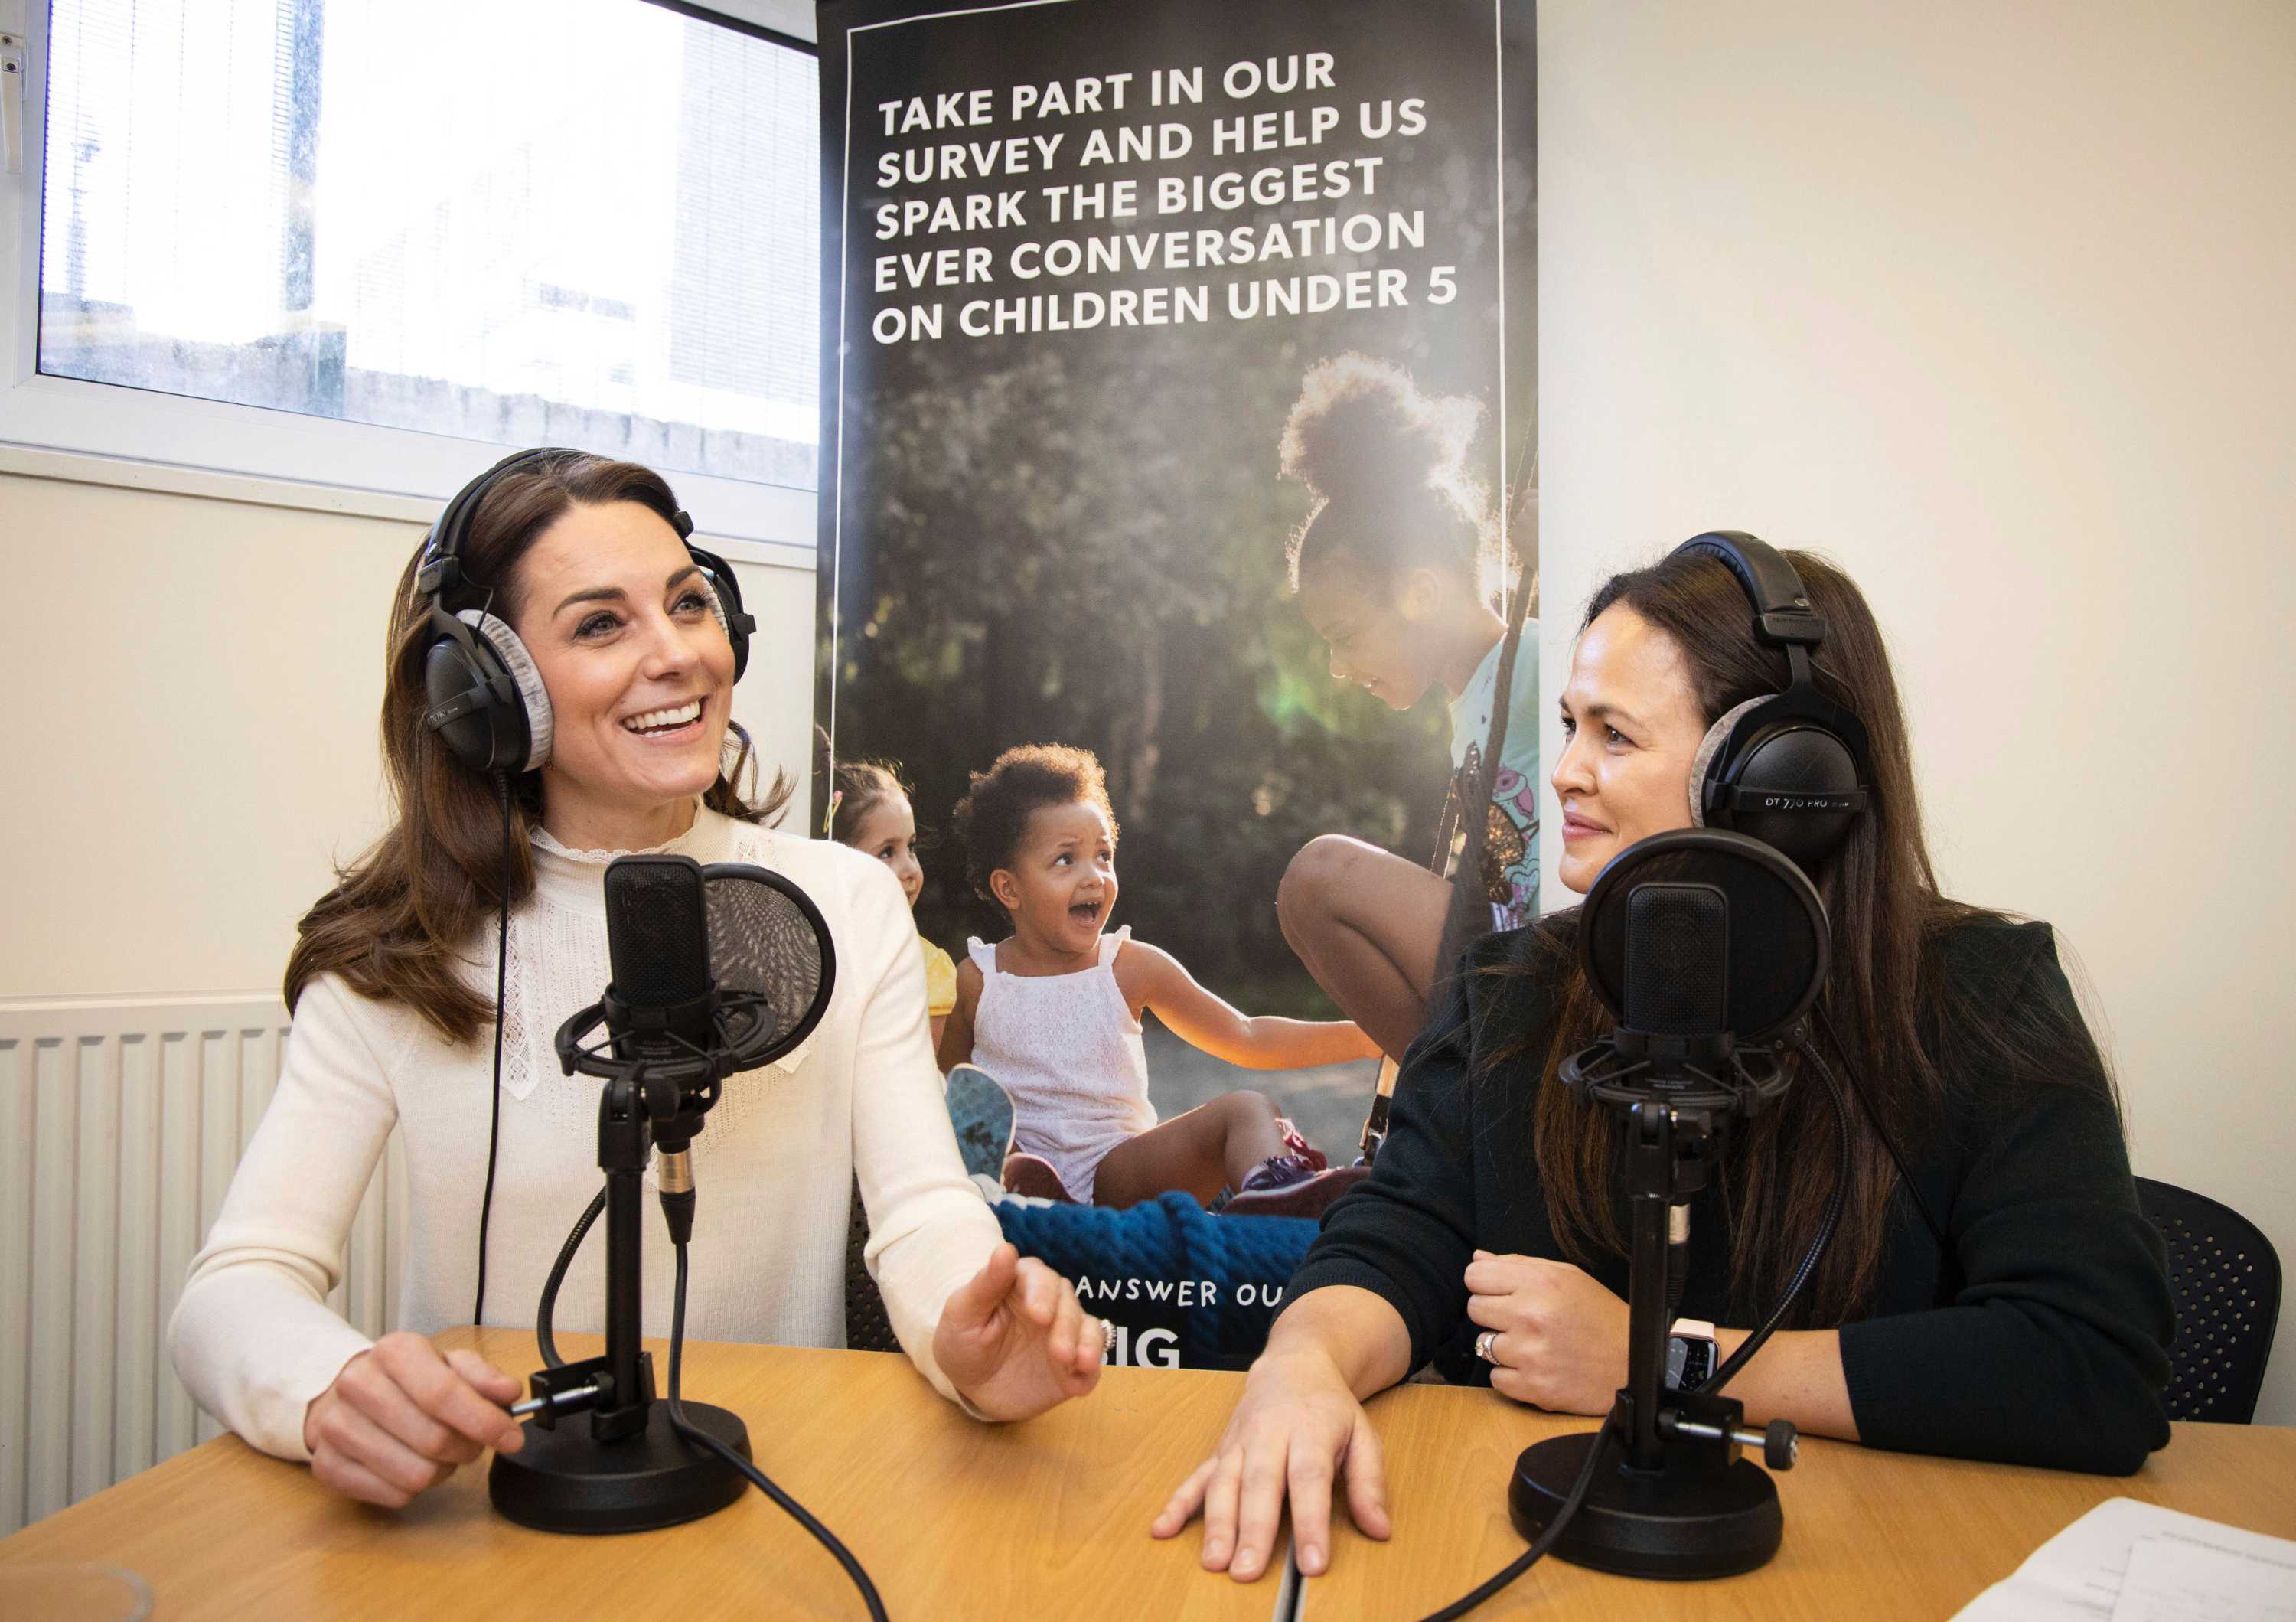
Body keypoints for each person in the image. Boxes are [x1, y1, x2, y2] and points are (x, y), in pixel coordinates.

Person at [1155, 540, 2173, 1584]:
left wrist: (1672, 1358)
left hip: (1867, 1577)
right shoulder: (1510, 991)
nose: (1564, 770)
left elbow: (2092, 1363)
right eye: (1569, 726)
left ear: (1780, 778)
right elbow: (1393, 1239)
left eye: (1616, 734)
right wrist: (1302, 1363)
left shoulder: (1985, 994)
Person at [168, 449, 1104, 1511]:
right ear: (482, 688)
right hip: (495, 1508)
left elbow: (924, 1212)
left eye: (689, 603)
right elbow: (236, 1286)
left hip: (780, 1485)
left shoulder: (844, 902)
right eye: (601, 624)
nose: (679, 656)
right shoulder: (400, 950)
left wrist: (963, 1342)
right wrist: (326, 1387)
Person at [936, 743, 1381, 1216]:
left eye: (1104, 855)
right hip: (1021, 1166)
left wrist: (1365, 1038)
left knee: (1248, 1107)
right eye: (1066, 860)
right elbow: (948, 1088)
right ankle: (1023, 1190)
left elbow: (1245, 1036)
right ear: (1010, 888)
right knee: (987, 1134)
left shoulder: (1130, 966)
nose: (1095, 877)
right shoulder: (978, 981)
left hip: (1123, 1174)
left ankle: (1275, 1198)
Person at [1272, 353, 1541, 1061]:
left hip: (1552, 969)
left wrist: (1562, 551)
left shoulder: (1538, 658)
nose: (1336, 667)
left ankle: (1446, 1107)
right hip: (1509, 965)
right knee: (1306, 902)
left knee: (1316, 879)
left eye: (1345, 636)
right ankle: (1453, 1097)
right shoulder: (1471, 699)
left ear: (1418, 592)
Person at [822, 739, 957, 1050]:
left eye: (910, 847)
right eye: (887, 852)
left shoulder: (928, 968)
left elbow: (919, 1076)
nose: (910, 868)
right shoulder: (810, 955)